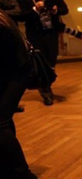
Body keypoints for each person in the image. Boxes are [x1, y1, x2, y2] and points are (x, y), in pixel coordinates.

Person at [16, 0, 69, 106]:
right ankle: (45, 91)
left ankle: (46, 84)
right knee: (41, 62)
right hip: (36, 34)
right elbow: (20, 16)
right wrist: (35, 9)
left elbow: (65, 9)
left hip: (51, 32)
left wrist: (56, 10)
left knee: (51, 61)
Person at [0, 9, 37, 178]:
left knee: (0, 123)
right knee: (4, 120)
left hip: (17, 73)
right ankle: (7, 166)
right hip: (9, 72)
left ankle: (22, 173)